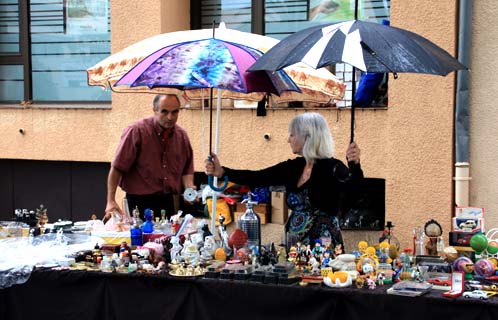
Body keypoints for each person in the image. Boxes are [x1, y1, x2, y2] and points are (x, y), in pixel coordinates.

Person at [205, 112, 363, 253]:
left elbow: (355, 191)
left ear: (307, 136)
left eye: (292, 135)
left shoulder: (332, 167)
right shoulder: (294, 167)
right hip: (295, 246)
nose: (288, 139)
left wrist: (354, 166)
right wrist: (223, 172)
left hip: (323, 247)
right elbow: (258, 177)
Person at [105, 94, 195, 221]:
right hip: (139, 202)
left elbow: (187, 170)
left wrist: (189, 188)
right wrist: (110, 200)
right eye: (164, 112)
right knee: (139, 239)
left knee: (166, 239)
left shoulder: (182, 136)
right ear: (154, 110)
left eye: (175, 112)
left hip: (167, 201)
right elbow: (117, 167)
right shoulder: (136, 131)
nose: (170, 117)